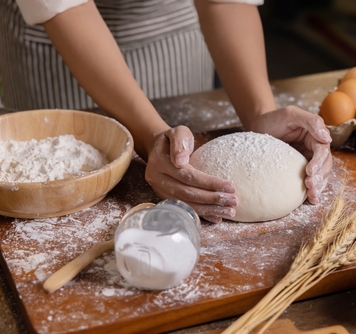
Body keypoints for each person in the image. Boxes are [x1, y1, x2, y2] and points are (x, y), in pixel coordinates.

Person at [0, 0, 333, 223]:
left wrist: (260, 112)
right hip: (57, 43)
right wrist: (150, 134)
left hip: (171, 34)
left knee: (182, 152)